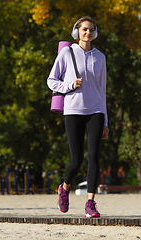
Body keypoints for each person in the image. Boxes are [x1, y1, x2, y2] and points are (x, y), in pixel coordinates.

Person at [47, 16, 108, 218]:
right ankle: (64, 188)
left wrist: (105, 120)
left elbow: (102, 90)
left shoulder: (100, 57)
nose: (88, 33)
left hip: (96, 111)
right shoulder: (67, 52)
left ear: (95, 33)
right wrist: (69, 86)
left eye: (91, 30)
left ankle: (90, 203)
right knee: (76, 161)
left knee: (94, 157)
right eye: (84, 29)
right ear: (77, 31)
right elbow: (51, 80)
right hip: (73, 110)